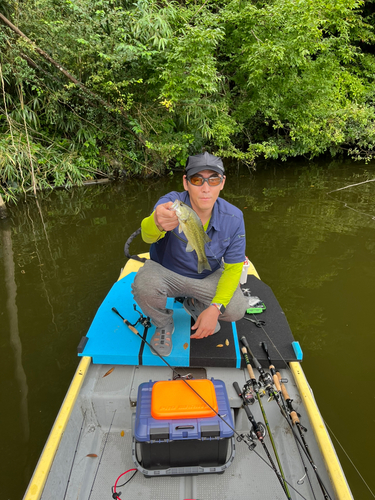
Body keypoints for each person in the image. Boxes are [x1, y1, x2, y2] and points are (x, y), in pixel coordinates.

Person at [131, 152, 248, 356]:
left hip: (206, 276)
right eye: (197, 179)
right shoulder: (170, 203)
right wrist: (156, 222)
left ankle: (196, 303)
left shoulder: (235, 217)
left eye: (213, 180)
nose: (205, 188)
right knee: (143, 286)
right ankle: (164, 324)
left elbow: (233, 269)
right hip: (166, 272)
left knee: (237, 308)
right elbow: (148, 237)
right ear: (186, 183)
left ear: (222, 183)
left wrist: (215, 309)